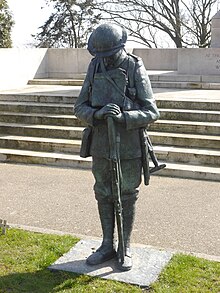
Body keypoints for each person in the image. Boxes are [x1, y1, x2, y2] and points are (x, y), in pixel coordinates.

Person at [74, 23, 160, 271]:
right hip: (101, 142)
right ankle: (106, 244)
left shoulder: (134, 66)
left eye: (109, 54)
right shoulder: (95, 66)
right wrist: (98, 113)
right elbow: (80, 107)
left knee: (126, 194)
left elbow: (152, 111)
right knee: (103, 192)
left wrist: (124, 116)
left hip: (129, 146)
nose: (106, 60)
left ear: (120, 47)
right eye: (101, 56)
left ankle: (125, 246)